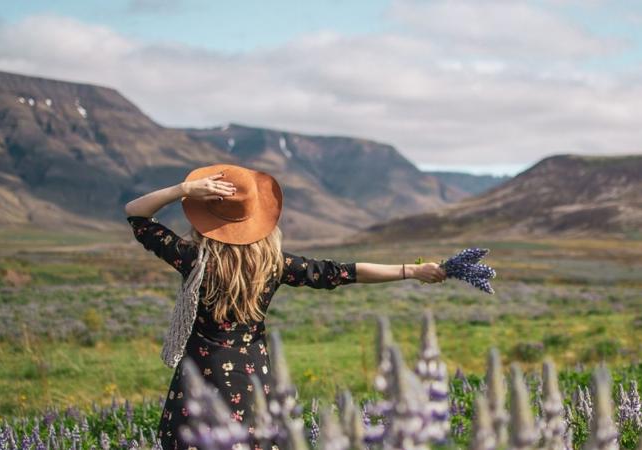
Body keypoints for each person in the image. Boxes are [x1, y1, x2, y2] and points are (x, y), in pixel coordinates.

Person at [123, 163, 447, 450]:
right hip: (253, 373)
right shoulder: (274, 264)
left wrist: (183, 190)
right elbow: (344, 272)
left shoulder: (192, 258)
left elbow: (136, 213)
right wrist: (411, 271)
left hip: (200, 373)